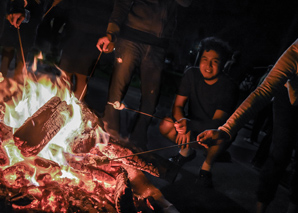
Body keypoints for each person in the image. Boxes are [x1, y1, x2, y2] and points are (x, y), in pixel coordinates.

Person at [197, 39, 298, 213]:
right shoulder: (296, 51)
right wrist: (225, 130)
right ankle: (260, 208)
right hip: (288, 96)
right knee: (280, 153)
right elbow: (263, 92)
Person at [96, 0, 192, 150]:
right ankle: (107, 136)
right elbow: (122, 4)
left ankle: (137, 143)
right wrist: (111, 33)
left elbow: (186, 3)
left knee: (151, 98)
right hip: (131, 36)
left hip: (158, 44)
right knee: (117, 89)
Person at [159, 37, 239, 186]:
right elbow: (177, 106)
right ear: (199, 59)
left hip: (212, 135)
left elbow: (218, 122)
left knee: (224, 135)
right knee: (166, 124)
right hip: (191, 128)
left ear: (223, 64)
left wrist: (190, 126)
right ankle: (185, 153)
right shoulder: (191, 74)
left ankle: (206, 169)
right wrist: (183, 123)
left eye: (215, 61)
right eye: (204, 59)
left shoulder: (228, 86)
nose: (208, 65)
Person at [0, 0, 45, 81]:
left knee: (24, 48)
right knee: (8, 46)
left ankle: (17, 81)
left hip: (32, 11)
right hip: (15, 9)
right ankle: (3, 81)